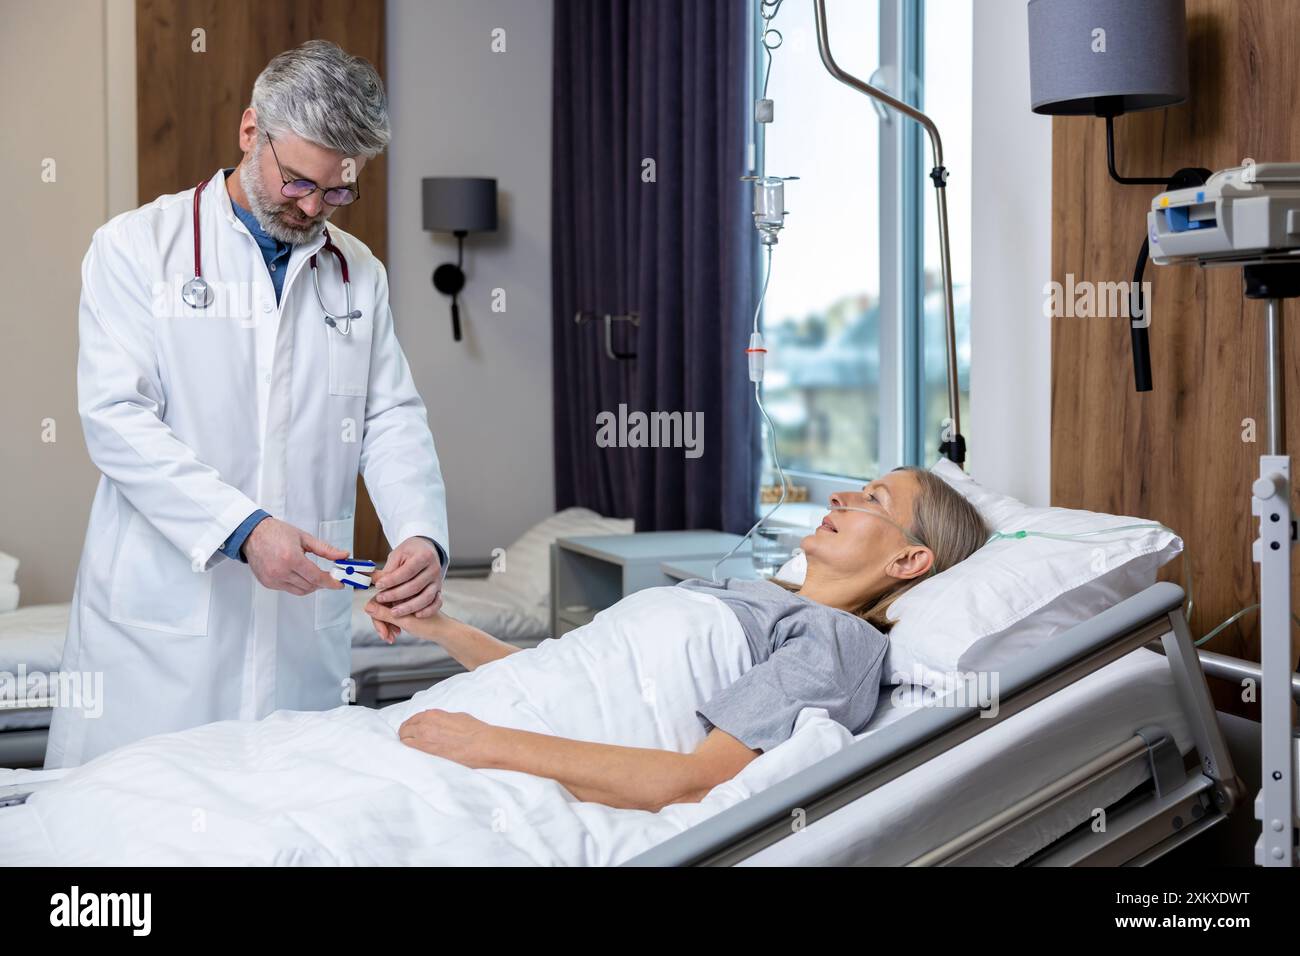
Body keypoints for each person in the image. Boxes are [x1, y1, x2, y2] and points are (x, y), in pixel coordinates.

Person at [46, 41, 449, 768]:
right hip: (161, 635)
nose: (312, 207)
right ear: (248, 131)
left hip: (296, 638)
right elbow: (116, 420)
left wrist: (420, 535)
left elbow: (388, 417)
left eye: (337, 192)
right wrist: (243, 528)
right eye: (297, 180)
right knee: (139, 830)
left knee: (279, 829)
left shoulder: (360, 274)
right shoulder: (138, 248)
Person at [365, 467, 989, 811]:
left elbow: (696, 781)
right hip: (469, 727)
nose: (840, 495)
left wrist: (486, 744)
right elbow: (559, 674)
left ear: (909, 563)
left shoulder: (835, 642)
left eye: (872, 498)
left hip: (490, 755)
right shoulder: (749, 593)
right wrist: (437, 626)